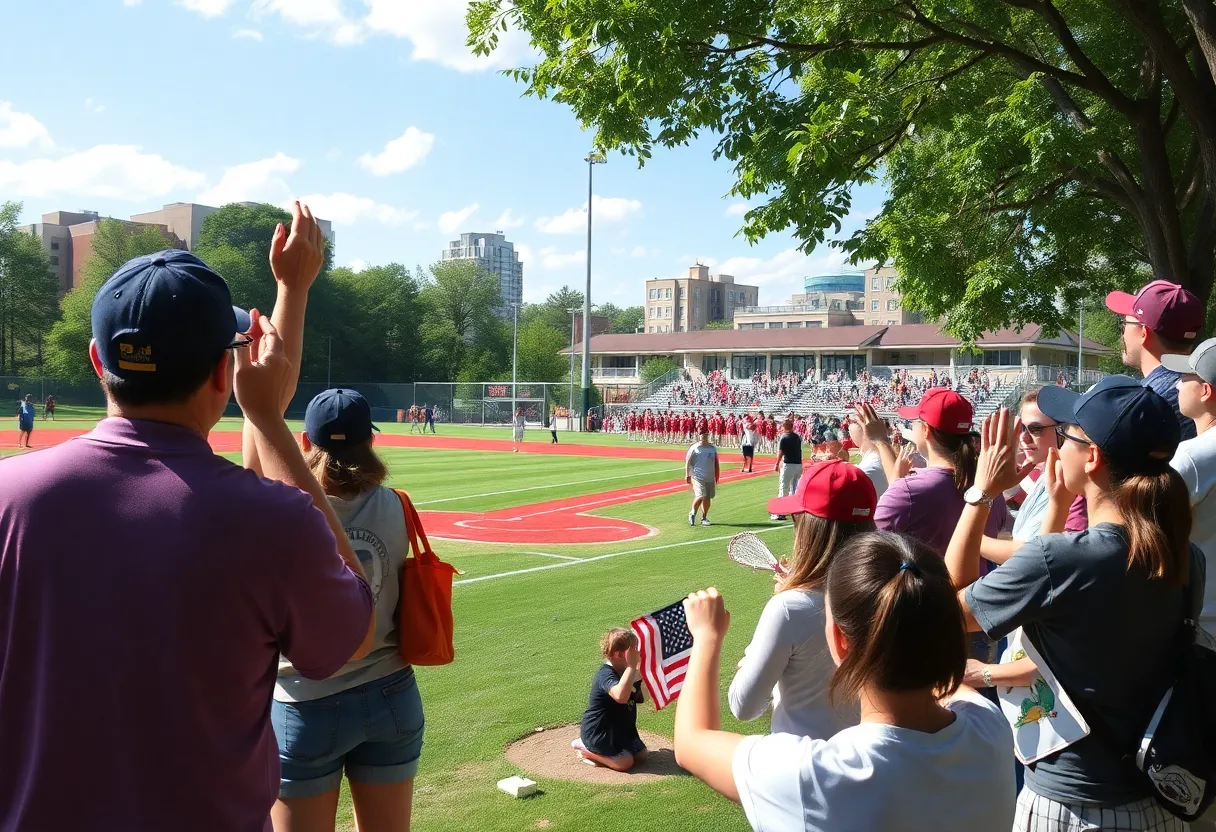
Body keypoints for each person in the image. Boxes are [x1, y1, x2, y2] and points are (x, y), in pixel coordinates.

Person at [0, 207, 376, 831]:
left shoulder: (9, 493)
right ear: (222, 370)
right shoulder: (273, 521)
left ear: (98, 360)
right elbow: (350, 637)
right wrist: (270, 414)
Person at [946, 382, 1199, 830]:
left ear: (1093, 457)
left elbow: (951, 606)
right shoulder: (1182, 554)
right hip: (1158, 800)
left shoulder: (1063, 559)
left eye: (1064, 435)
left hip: (1072, 808)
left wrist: (981, 494)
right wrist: (1059, 507)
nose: (1055, 447)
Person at [673, 534, 1016, 831]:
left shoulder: (815, 777)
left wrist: (706, 636)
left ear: (840, 641)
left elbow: (691, 743)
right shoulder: (989, 724)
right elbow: (945, 678)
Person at [729, 460, 875, 737]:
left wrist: (749, 656)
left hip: (806, 765)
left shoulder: (789, 608)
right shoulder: (893, 589)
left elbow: (743, 706)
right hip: (873, 759)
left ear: (808, 528)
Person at [1163, 338, 1216, 639]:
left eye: (1184, 378)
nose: (1176, 386)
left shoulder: (1194, 456)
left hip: (1200, 629)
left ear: (1206, 391)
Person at [1106, 279, 1204, 440]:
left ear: (1144, 333)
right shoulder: (1204, 388)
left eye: (1124, 324)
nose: (1122, 332)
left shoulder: (1144, 405)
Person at [572, 628, 648, 771]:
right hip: (601, 733)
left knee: (642, 755)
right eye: (633, 651)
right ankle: (584, 748)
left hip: (622, 730)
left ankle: (601, 753)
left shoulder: (628, 672)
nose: (637, 653)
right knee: (625, 763)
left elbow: (642, 698)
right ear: (619, 654)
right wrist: (632, 667)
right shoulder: (605, 675)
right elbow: (620, 697)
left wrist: (642, 673)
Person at [848, 412, 889, 498]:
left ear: (865, 428)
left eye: (851, 421)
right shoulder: (886, 459)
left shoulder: (865, 471)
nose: (848, 427)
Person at [685, 429, 720, 527]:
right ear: (698, 436)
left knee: (707, 497)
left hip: (710, 476)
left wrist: (717, 475)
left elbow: (716, 463)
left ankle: (704, 517)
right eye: (701, 435)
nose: (703, 437)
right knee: (700, 495)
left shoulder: (712, 448)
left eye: (705, 435)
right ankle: (692, 513)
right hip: (697, 476)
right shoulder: (694, 448)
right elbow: (688, 462)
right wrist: (687, 474)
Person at [770, 419, 804, 521]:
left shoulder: (784, 437)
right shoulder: (797, 436)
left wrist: (776, 464)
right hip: (798, 464)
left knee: (783, 488)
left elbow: (781, 452)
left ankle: (781, 512)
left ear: (784, 427)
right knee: (794, 488)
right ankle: (795, 510)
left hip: (788, 464)